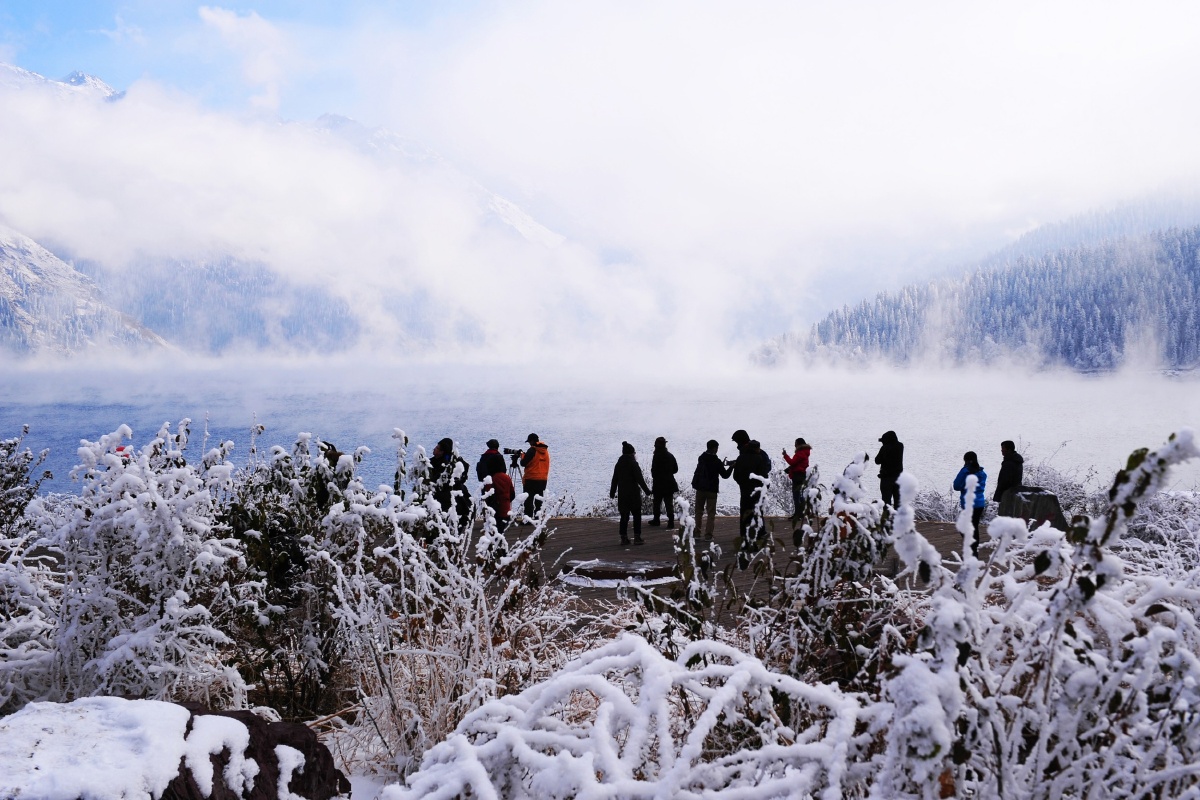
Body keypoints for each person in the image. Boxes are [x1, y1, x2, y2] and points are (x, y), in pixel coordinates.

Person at [729, 430, 771, 540]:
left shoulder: (741, 456)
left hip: (745, 490)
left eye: (737, 442)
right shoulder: (759, 455)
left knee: (745, 512)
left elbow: (736, 476)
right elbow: (765, 472)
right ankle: (760, 534)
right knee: (757, 511)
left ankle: (744, 535)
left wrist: (743, 483)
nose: (737, 445)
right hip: (757, 489)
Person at [610, 441, 651, 545]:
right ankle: (637, 537)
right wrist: (647, 491)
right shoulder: (633, 464)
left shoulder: (618, 464)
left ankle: (624, 538)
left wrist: (612, 492)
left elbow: (614, 479)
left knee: (624, 517)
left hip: (623, 494)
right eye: (634, 453)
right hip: (633, 494)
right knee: (637, 515)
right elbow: (640, 479)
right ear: (631, 453)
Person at [691, 440, 730, 539]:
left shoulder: (701, 458)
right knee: (711, 513)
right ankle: (708, 535)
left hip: (700, 488)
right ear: (715, 448)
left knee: (698, 511)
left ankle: (696, 533)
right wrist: (731, 467)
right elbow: (725, 475)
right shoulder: (716, 461)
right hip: (712, 490)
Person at [430, 437, 472, 527]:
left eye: (437, 448)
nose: (434, 449)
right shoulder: (431, 462)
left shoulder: (450, 463)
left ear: (442, 452)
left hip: (446, 494)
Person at [953, 451, 988, 557]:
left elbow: (956, 486)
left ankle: (971, 551)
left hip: (969, 504)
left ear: (966, 460)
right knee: (974, 526)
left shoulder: (965, 471)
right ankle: (973, 550)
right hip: (980, 504)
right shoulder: (982, 473)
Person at [649, 436, 679, 528]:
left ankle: (656, 520)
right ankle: (671, 521)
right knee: (668, 503)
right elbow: (675, 469)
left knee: (657, 503)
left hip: (658, 483)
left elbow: (653, 471)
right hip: (669, 483)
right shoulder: (670, 455)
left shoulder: (656, 456)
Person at [520, 433, 550, 519]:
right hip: (542, 479)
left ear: (532, 441)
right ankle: (538, 518)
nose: (529, 443)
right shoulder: (545, 450)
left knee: (528, 500)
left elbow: (523, 463)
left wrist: (522, 455)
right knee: (539, 500)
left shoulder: (532, 450)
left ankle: (528, 519)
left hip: (531, 479)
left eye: (529, 442)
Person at [782, 438, 811, 519]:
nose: (794, 445)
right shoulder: (805, 452)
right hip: (801, 475)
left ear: (798, 444)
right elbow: (798, 464)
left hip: (797, 476)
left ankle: (798, 514)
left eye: (795, 443)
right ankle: (802, 512)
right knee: (800, 494)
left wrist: (785, 455)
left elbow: (792, 462)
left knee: (796, 495)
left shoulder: (800, 453)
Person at [875, 430, 904, 507]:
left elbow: (877, 461)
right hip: (899, 478)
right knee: (898, 501)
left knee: (886, 502)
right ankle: (898, 518)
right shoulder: (900, 446)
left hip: (886, 479)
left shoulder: (884, 448)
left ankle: (886, 518)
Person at [993, 440, 1025, 508]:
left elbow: (1005, 480)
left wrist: (999, 495)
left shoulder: (1009, 463)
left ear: (1009, 450)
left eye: (1003, 448)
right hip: (1015, 492)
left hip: (1008, 494)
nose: (1001, 450)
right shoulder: (1016, 461)